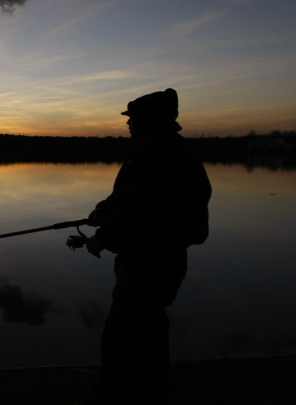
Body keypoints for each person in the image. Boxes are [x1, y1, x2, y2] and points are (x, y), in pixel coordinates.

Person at [83, 88, 211, 405]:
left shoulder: (163, 156)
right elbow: (128, 199)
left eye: (134, 119)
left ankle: (117, 392)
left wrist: (102, 238)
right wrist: (104, 208)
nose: (129, 125)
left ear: (151, 121)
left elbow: (140, 212)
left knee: (123, 332)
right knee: (147, 328)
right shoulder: (153, 152)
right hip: (147, 261)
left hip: (154, 263)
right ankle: (146, 389)